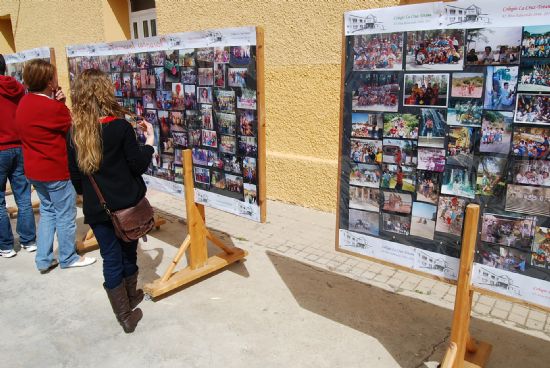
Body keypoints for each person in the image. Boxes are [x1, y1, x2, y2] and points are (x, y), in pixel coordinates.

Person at [68, 69, 155, 333]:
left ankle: (126, 305)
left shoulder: (74, 134)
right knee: (127, 252)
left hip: (97, 210)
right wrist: (149, 141)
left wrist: (93, 198)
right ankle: (126, 313)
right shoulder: (119, 128)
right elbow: (137, 165)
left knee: (111, 258)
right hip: (126, 206)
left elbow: (75, 179)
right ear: (105, 92)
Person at [16, 59, 95, 272]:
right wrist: (60, 103)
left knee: (48, 212)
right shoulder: (51, 107)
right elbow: (70, 123)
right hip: (54, 171)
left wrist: (56, 102)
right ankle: (68, 257)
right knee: (65, 215)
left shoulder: (24, 102)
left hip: (34, 170)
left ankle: (43, 259)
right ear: (49, 82)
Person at [0, 54, 36, 258]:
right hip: (19, 147)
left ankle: (5, 245)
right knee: (23, 196)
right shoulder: (18, 88)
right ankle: (28, 240)